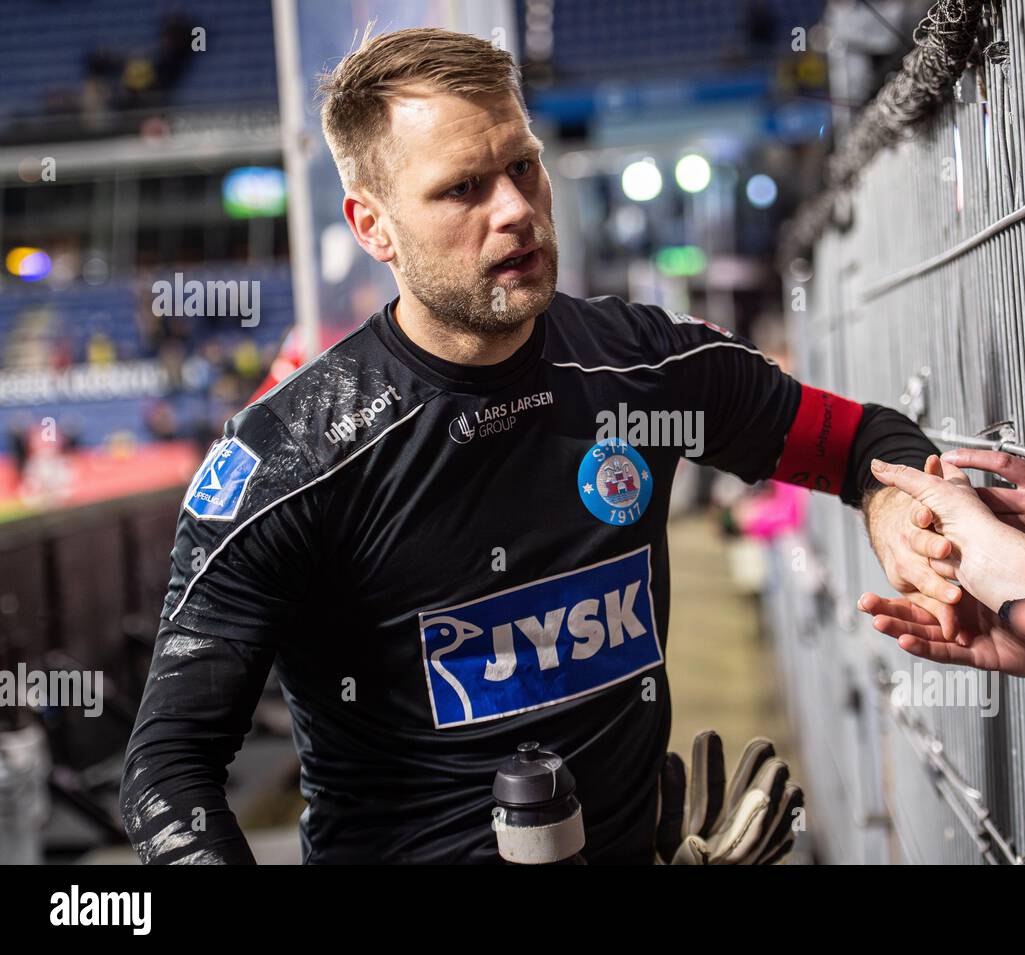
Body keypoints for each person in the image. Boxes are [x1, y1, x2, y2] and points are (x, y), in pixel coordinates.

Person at [120, 26, 945, 864]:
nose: (514, 208)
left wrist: (891, 503)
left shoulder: (645, 366)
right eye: (463, 188)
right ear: (374, 226)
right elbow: (166, 771)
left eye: (522, 165)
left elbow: (857, 443)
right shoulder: (290, 460)